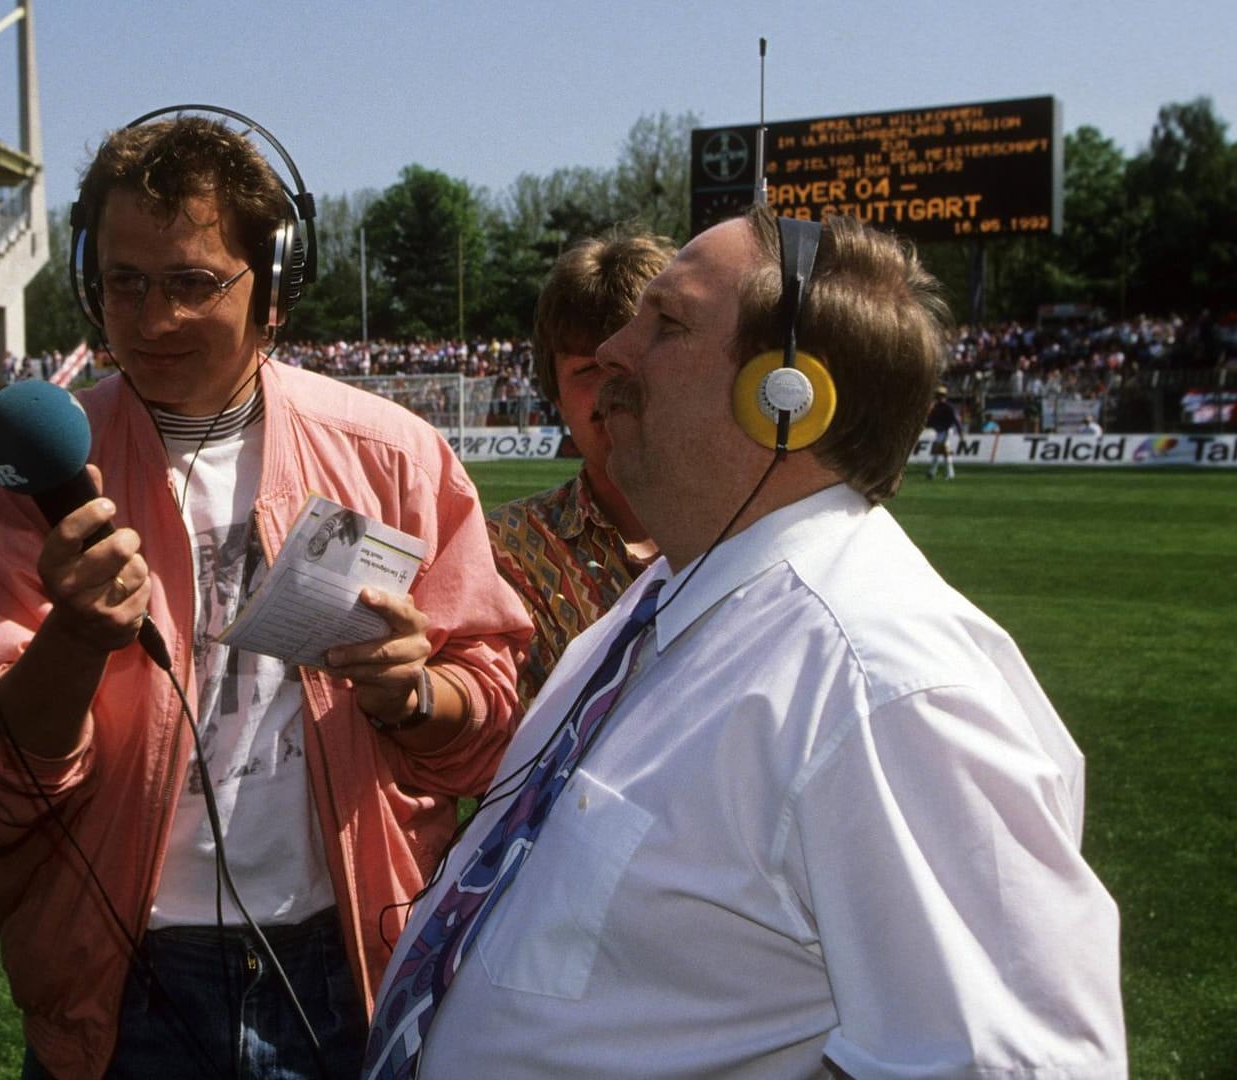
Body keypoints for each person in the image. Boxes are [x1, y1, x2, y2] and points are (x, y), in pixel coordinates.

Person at [364, 207, 1125, 1079]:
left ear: (785, 396)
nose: (614, 350)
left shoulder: (883, 685)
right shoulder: (671, 594)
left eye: (667, 323)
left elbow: (1013, 1064)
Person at [0, 112, 530, 1080]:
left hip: (344, 965)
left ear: (275, 287)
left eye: (192, 283)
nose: (151, 317)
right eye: (125, 282)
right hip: (123, 982)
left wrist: (413, 692)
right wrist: (74, 642)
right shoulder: (27, 485)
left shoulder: (394, 456)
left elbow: (492, 725)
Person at [486, 230, 674, 702]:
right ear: (557, 398)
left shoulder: (749, 531)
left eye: (632, 362)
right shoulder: (505, 548)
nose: (611, 388)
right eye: (586, 371)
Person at [926, 385, 959, 479]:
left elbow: (954, 420)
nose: (939, 397)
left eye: (940, 395)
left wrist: (960, 432)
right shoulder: (936, 407)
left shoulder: (947, 407)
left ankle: (949, 474)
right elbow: (931, 420)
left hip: (946, 431)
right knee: (938, 452)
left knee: (945, 453)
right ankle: (932, 472)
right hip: (939, 432)